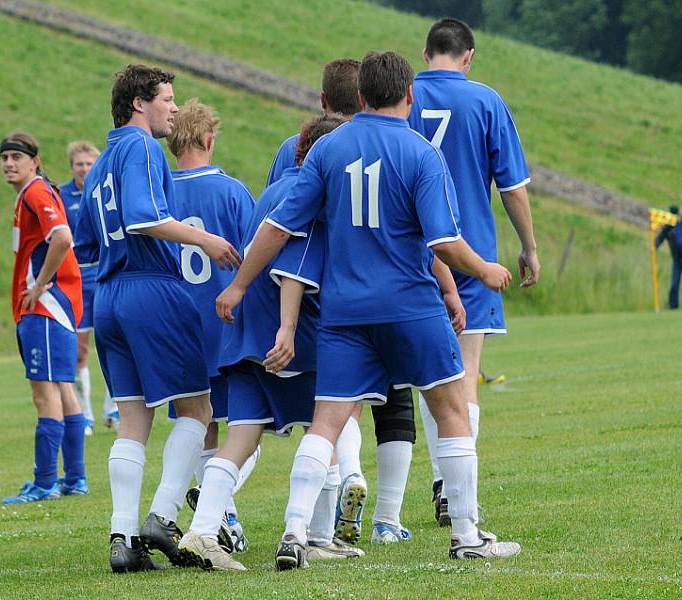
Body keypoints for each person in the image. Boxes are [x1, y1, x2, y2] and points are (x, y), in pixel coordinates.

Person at [217, 51, 521, 569]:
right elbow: (444, 241)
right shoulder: (423, 154)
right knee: (450, 411)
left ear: (359, 97)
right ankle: (467, 534)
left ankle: (295, 533)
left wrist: (240, 286)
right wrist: (485, 270)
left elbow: (279, 227)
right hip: (410, 307)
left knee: (327, 421)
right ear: (409, 95)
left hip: (345, 315)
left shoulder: (327, 150)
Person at [74, 64, 242, 573]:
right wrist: (206, 239)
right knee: (198, 410)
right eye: (166, 98)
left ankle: (122, 540)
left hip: (109, 295)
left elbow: (86, 241)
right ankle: (163, 517)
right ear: (138, 105)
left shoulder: (99, 163)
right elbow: (144, 217)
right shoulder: (142, 147)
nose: (173, 107)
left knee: (131, 420)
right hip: (151, 290)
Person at [179, 114, 361, 571]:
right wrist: (287, 330)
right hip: (289, 334)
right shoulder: (312, 193)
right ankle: (307, 533)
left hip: (243, 334)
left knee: (242, 434)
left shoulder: (274, 189)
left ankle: (201, 533)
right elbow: (294, 270)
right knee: (327, 425)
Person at [268, 57, 420, 548]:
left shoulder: (296, 150)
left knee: (331, 408)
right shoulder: (400, 145)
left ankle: (312, 522)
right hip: (394, 292)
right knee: (397, 401)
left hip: (326, 299)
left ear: (322, 102)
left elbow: (280, 216)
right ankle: (387, 518)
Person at [407, 17, 540, 526]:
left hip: (413, 252)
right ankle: (453, 489)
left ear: (425, 54)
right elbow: (512, 186)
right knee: (465, 373)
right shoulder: (486, 100)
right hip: (473, 255)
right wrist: (528, 246)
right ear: (469, 56)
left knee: (427, 372)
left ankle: (435, 479)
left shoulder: (402, 96)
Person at [164, 98, 258, 552]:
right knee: (249, 424)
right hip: (226, 325)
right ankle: (222, 509)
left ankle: (220, 516)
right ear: (209, 138)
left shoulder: (157, 195)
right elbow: (256, 257)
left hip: (176, 328)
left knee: (199, 424)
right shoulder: (232, 192)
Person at [0, 132, 88, 504]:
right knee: (64, 389)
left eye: (17, 156)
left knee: (44, 394)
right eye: (4, 157)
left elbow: (63, 238)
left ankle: (45, 482)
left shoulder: (36, 192)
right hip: (58, 309)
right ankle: (75, 478)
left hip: (46, 309)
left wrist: (41, 284)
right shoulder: (33, 194)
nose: (8, 163)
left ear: (35, 161)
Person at [59, 141, 103, 435]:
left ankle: (114, 408)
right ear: (72, 166)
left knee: (116, 343)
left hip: (105, 275)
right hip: (77, 278)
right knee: (80, 350)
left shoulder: (104, 190)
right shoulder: (63, 195)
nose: (84, 169)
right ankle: (85, 413)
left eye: (89, 164)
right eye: (79, 164)